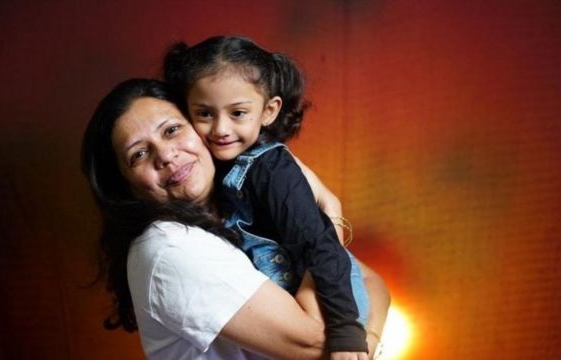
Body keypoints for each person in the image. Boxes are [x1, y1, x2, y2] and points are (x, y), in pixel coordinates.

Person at [81, 78, 390, 359]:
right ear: (128, 188)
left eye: (172, 130)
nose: (165, 155)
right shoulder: (168, 247)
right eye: (139, 154)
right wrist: (329, 214)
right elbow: (318, 342)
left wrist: (364, 343)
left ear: (201, 129)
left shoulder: (242, 202)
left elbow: (372, 283)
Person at [163, 36, 370, 358]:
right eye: (204, 113)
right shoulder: (213, 164)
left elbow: (319, 243)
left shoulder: (273, 171)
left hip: (330, 296)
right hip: (289, 297)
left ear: (269, 111)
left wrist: (346, 329)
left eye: (238, 113)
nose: (220, 128)